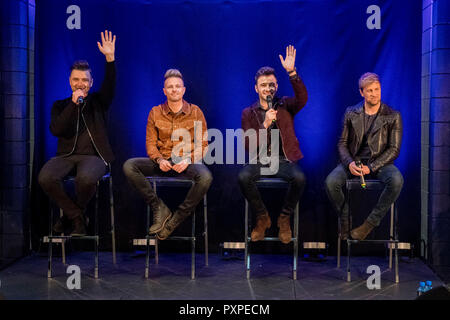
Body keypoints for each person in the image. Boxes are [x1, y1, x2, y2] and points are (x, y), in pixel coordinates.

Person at [38, 30, 117, 236]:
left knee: (86, 180)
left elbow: (110, 86)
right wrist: (73, 106)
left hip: (94, 157)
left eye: (84, 80)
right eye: (76, 79)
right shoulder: (60, 105)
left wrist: (110, 59)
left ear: (91, 83)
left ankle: (68, 218)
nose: (80, 83)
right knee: (46, 178)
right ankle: (78, 217)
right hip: (65, 156)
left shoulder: (99, 103)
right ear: (70, 82)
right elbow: (56, 130)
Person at [123, 69, 212, 240]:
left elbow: (203, 145)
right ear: (164, 91)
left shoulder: (195, 112)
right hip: (162, 161)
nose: (174, 90)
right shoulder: (155, 112)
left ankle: (176, 219)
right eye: (170, 87)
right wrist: (159, 159)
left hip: (186, 162)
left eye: (177, 86)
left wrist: (188, 159)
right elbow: (150, 143)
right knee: (129, 165)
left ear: (183, 90)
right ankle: (159, 207)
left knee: (206, 177)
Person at [238, 45, 308, 244]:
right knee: (243, 177)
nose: (267, 88)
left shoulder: (285, 105)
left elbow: (303, 98)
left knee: (300, 179)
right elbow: (248, 145)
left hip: (283, 160)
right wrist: (266, 123)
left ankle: (284, 218)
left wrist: (292, 72)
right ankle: (262, 218)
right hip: (260, 160)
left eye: (271, 85)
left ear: (276, 86)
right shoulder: (248, 113)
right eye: (263, 85)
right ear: (256, 88)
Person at [325, 72, 404, 240]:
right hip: (354, 161)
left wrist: (372, 167)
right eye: (369, 90)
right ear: (362, 92)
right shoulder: (351, 112)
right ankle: (345, 218)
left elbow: (394, 149)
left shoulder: (393, 115)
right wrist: (349, 163)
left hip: (380, 163)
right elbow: (342, 143)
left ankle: (369, 224)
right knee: (331, 182)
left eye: (377, 89)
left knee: (397, 180)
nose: (374, 93)